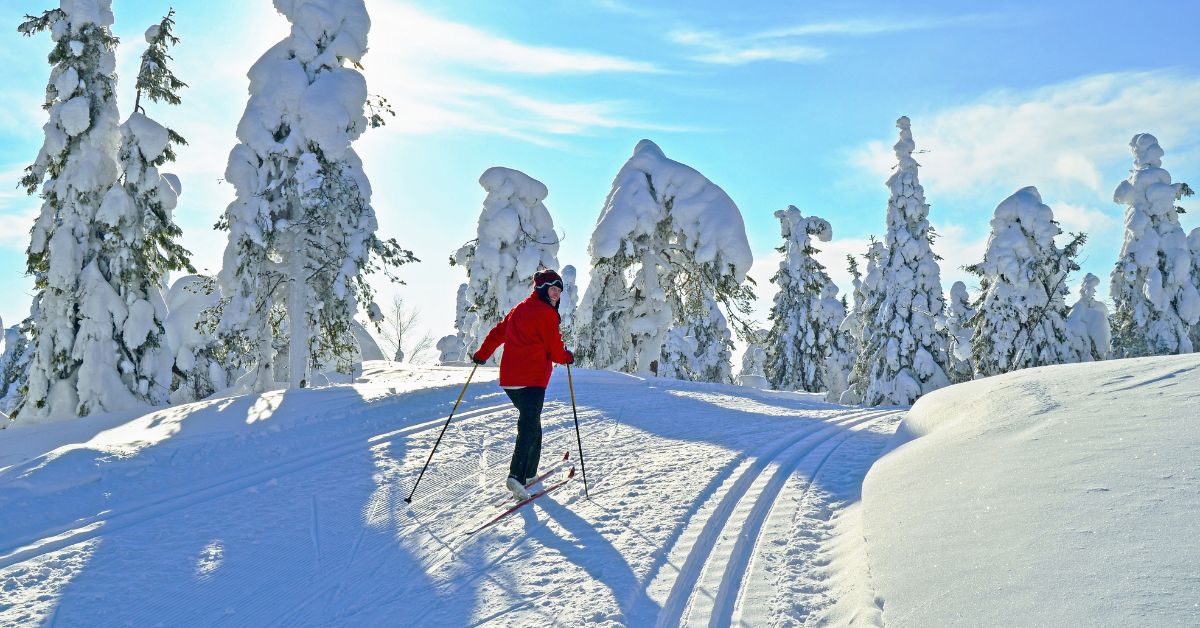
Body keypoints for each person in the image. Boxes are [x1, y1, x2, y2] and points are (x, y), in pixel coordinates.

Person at [473, 269, 574, 500]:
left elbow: (498, 333)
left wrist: (482, 354)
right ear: (541, 289)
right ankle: (516, 476)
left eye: (559, 290)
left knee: (532, 423)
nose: (556, 294)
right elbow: (556, 351)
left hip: (511, 381)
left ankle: (529, 473)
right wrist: (567, 356)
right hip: (532, 380)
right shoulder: (546, 314)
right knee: (528, 426)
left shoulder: (518, 309)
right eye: (552, 289)